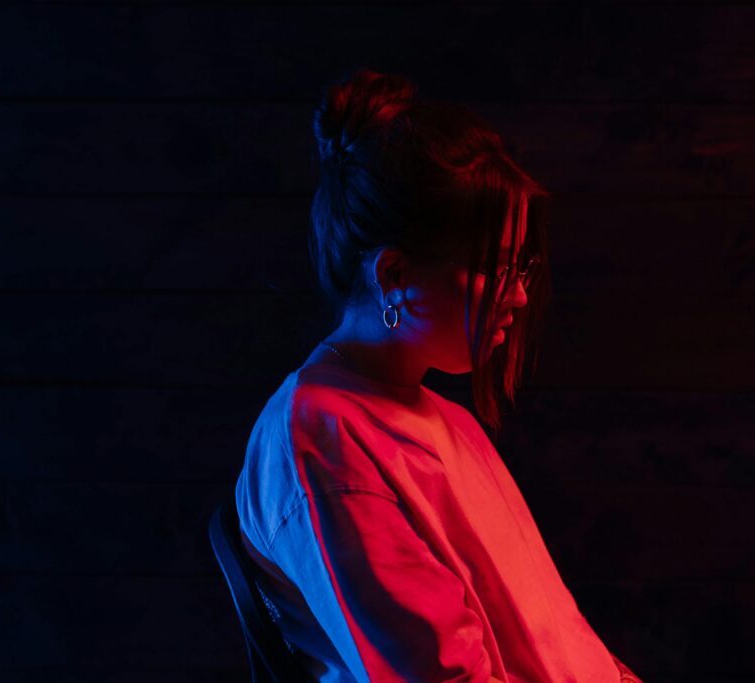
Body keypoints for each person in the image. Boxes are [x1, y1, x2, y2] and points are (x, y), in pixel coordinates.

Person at [234, 69, 643, 682]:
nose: (520, 297)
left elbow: (559, 639)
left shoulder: (444, 421)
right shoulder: (322, 438)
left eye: (521, 267)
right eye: (494, 268)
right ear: (394, 274)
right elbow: (442, 673)